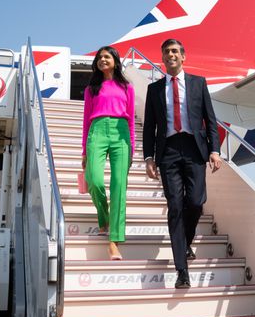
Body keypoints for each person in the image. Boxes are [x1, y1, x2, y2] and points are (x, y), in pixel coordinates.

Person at [143, 39, 221, 289]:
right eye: (166, 52)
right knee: (175, 206)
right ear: (162, 59)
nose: (171, 55)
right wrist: (148, 158)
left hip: (194, 148)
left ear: (183, 57)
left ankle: (185, 243)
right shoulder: (154, 89)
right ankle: (182, 271)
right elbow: (149, 128)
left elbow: (210, 119)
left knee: (196, 202)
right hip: (168, 152)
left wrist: (215, 150)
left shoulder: (198, 83)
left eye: (175, 51)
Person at [81, 46, 135, 261]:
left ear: (115, 60)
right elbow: (86, 120)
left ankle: (113, 242)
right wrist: (84, 150)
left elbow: (131, 119)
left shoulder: (126, 86)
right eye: (99, 57)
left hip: (121, 133)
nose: (102, 59)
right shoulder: (91, 88)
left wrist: (131, 146)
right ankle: (103, 218)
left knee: (119, 186)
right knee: (94, 179)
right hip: (97, 130)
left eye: (107, 56)